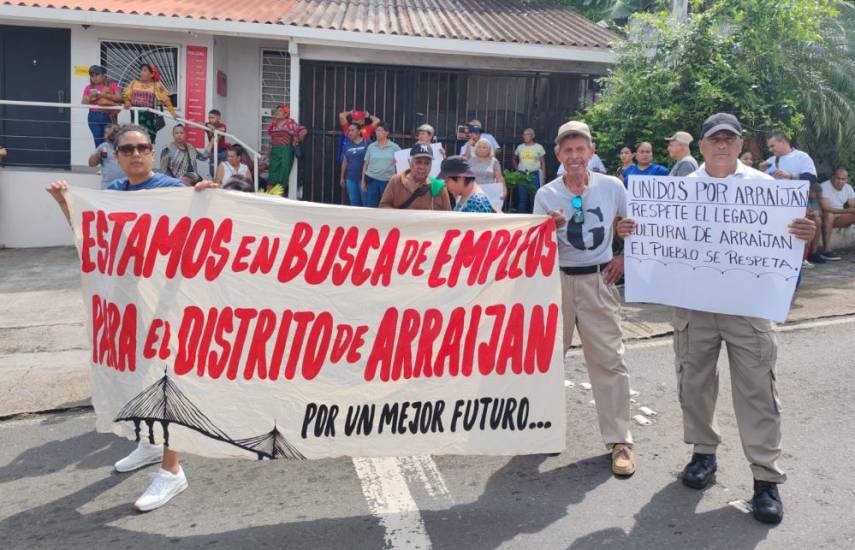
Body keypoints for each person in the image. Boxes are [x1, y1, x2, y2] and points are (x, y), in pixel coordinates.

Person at [618, 113, 817, 525]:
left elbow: (788, 242)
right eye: (714, 139)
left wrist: (803, 233)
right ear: (703, 146)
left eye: (729, 139)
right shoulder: (677, 191)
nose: (722, 145)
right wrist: (632, 230)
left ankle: (766, 479)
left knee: (758, 391)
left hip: (749, 308)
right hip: (694, 307)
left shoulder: (769, 191)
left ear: (740, 144)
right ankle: (703, 454)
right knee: (693, 383)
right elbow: (659, 238)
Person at [45, 124, 219, 513]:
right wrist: (64, 202)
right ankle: (149, 442)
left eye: (142, 147)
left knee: (170, 380)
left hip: (168, 302)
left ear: (151, 153)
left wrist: (206, 198)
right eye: (128, 149)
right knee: (139, 373)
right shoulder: (114, 195)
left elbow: (200, 224)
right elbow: (89, 236)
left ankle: (172, 470)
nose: (136, 154)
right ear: (116, 155)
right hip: (129, 302)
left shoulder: (171, 189)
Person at [533, 120, 635, 477]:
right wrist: (550, 228)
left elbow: (636, 224)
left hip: (599, 280)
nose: (574, 156)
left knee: (609, 361)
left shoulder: (613, 186)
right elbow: (533, 249)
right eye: (568, 150)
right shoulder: (546, 194)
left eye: (581, 149)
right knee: (545, 362)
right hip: (557, 283)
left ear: (591, 152)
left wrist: (624, 256)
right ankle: (541, 429)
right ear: (558, 155)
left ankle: (620, 440)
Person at [379, 144, 452, 210]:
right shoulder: (396, 181)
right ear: (410, 162)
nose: (422, 167)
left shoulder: (438, 187)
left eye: (427, 163)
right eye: (418, 162)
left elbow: (448, 216)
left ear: (431, 165)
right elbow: (383, 207)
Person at [123, 63, 176, 143]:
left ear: (151, 74)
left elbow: (166, 100)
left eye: (144, 70)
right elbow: (126, 96)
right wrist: (127, 102)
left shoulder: (157, 85)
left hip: (149, 119)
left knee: (146, 143)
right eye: (141, 70)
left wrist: (173, 113)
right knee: (135, 142)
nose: (141, 72)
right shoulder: (133, 83)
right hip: (136, 117)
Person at [267, 104, 307, 188]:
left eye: (280, 111)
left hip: (285, 150)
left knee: (283, 173)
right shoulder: (274, 124)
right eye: (277, 111)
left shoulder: (290, 122)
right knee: (272, 175)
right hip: (274, 151)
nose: (277, 113)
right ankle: (269, 198)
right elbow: (271, 139)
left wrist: (297, 139)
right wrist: (268, 152)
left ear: (286, 113)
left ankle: (278, 197)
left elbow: (303, 130)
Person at [81, 65, 122, 147]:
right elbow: (83, 102)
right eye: (92, 76)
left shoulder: (112, 85)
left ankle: (107, 159)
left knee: (109, 141)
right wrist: (90, 97)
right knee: (98, 142)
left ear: (104, 75)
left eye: (97, 75)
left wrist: (103, 95)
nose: (94, 78)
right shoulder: (88, 87)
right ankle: (100, 159)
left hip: (108, 115)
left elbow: (119, 98)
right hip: (93, 116)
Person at [819, 168, 855, 260]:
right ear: (833, 177)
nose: (840, 181)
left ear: (847, 179)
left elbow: (853, 205)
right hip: (824, 217)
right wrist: (847, 211)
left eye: (843, 179)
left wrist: (850, 210)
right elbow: (825, 208)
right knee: (829, 215)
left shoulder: (848, 188)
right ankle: (826, 251)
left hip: (839, 218)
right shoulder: (824, 186)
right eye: (838, 178)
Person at [361, 123, 400, 207]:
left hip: (387, 181)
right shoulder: (371, 146)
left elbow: (400, 163)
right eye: (376, 130)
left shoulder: (395, 147)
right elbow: (365, 164)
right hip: (371, 179)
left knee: (386, 205)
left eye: (380, 130)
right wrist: (363, 181)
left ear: (386, 133)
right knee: (370, 205)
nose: (377, 133)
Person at [513, 128, 547, 213]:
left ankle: (534, 217)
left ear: (532, 136)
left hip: (534, 174)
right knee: (522, 198)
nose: (525, 136)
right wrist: (517, 170)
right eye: (524, 134)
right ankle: (520, 218)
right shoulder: (520, 147)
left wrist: (543, 176)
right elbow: (514, 158)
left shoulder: (539, 147)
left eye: (527, 134)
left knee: (534, 197)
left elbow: (543, 162)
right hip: (522, 174)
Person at [339, 123, 370, 206]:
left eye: (352, 130)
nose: (350, 132)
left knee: (365, 201)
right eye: (349, 130)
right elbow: (345, 162)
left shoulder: (367, 143)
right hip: (350, 178)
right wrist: (342, 177)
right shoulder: (347, 145)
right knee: (353, 202)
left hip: (363, 179)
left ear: (359, 131)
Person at [88, 123, 124, 188]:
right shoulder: (104, 146)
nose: (107, 136)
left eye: (110, 133)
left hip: (125, 185)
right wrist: (98, 154)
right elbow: (91, 164)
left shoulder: (126, 146)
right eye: (106, 133)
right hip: (108, 185)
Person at [205, 109, 228, 177]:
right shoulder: (208, 125)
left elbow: (222, 130)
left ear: (218, 118)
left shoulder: (222, 125)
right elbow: (198, 124)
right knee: (213, 172)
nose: (210, 119)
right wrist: (207, 125)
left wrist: (213, 128)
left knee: (223, 171)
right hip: (212, 152)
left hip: (222, 152)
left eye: (212, 117)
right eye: (209, 117)